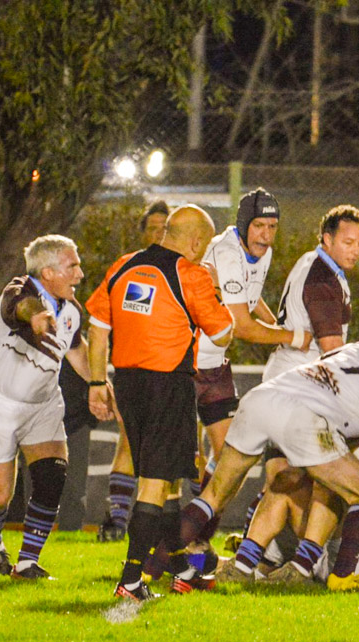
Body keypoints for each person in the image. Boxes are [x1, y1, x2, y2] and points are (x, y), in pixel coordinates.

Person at [173, 329, 359, 592]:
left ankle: (170, 563)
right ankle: (325, 573)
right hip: (308, 418)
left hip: (269, 396)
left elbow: (329, 362)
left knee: (260, 486)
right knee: (358, 494)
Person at [86, 205, 233, 601]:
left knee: (167, 482)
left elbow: (97, 329)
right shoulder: (191, 274)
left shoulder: (123, 266)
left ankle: (181, 565)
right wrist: (216, 293)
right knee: (154, 482)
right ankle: (131, 579)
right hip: (169, 385)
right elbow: (223, 334)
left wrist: (97, 382)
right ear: (197, 242)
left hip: (127, 383)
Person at [237, 204, 359, 567]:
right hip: (301, 389)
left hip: (286, 382)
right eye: (348, 242)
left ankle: (258, 556)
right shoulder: (323, 278)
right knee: (322, 477)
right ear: (327, 238)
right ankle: (305, 560)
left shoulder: (317, 263)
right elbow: (331, 350)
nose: (356, 249)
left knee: (283, 476)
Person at [187, 188, 306, 560]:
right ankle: (159, 546)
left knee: (231, 458)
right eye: (259, 226)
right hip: (184, 364)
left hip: (215, 365)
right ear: (243, 224)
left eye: (272, 226)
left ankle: (196, 540)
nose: (266, 235)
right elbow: (240, 325)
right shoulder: (226, 252)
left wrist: (277, 326)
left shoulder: (260, 252)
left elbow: (249, 300)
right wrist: (293, 337)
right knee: (179, 463)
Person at [0, 236, 90, 579]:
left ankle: (26, 564)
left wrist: (99, 384)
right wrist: (36, 315)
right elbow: (21, 306)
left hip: (43, 403)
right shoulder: (20, 290)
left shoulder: (71, 309)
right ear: (47, 272)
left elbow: (76, 348)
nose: (80, 274)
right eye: (72, 266)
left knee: (52, 477)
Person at [98, 200, 171, 542]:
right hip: (138, 369)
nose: (158, 234)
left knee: (179, 451)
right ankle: (116, 522)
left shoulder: (188, 269)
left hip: (178, 372)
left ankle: (172, 526)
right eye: (152, 228)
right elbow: (127, 319)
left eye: (164, 228)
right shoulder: (134, 270)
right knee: (130, 441)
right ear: (143, 234)